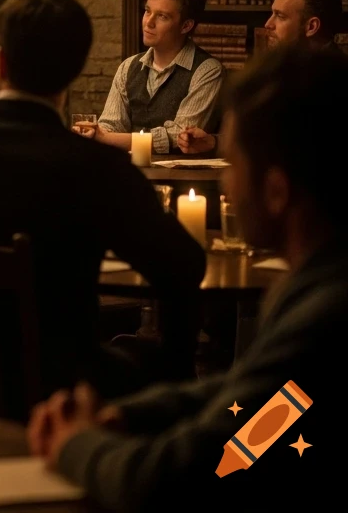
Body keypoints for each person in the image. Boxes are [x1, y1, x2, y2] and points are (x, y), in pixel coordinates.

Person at [30, 45, 347, 510]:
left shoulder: (326, 319)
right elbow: (258, 397)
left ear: (276, 191)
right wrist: (126, 414)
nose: (228, 185)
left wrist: (75, 443)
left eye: (234, 166)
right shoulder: (323, 287)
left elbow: (191, 474)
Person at [0, 0, 205, 410]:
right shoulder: (98, 169)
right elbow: (185, 265)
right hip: (56, 394)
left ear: (0, 62)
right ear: (74, 70)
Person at [177, 0, 344, 154]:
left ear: (311, 26)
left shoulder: (336, 83)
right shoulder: (279, 71)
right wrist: (213, 142)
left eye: (280, 16)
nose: (268, 24)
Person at [82, 0, 222, 155]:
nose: (148, 22)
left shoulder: (207, 70)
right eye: (148, 11)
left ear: (186, 26)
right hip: (131, 174)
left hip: (182, 178)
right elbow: (110, 125)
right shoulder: (128, 67)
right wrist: (97, 133)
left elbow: (179, 136)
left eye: (162, 16)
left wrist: (104, 138)